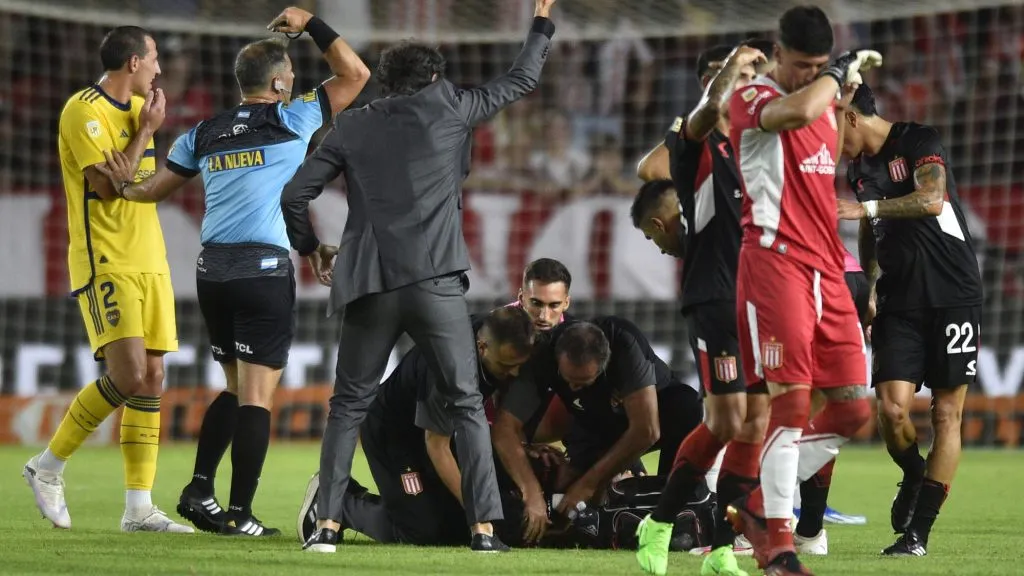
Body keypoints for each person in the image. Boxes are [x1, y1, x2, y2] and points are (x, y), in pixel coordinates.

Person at [280, 0, 558, 554]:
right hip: (435, 283)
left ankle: (328, 526)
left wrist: (311, 247)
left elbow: (294, 194)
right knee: (465, 405)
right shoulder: (454, 105)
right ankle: (484, 531)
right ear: (433, 77)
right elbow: (524, 77)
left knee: (348, 405)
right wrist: (541, 23)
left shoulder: (353, 124)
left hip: (369, 282)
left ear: (386, 82)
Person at [95, 7, 370, 537]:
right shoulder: (293, 118)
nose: (294, 78)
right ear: (277, 82)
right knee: (258, 398)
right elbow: (356, 73)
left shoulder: (203, 132)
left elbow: (150, 191)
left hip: (211, 273)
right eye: (289, 72)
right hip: (262, 269)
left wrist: (123, 185)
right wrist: (312, 24)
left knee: (234, 385)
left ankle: (200, 487)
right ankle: (242, 513)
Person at [724, 6, 882, 574]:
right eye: (800, 64)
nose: (805, 73)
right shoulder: (750, 98)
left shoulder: (820, 98)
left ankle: (753, 493)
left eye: (816, 65)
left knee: (853, 411)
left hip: (827, 270)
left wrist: (839, 102)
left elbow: (824, 155)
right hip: (774, 263)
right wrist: (835, 77)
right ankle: (781, 544)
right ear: (778, 51)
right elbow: (798, 111)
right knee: (788, 400)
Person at [22, 26, 192, 533]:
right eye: (155, 59)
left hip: (150, 257)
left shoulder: (141, 109)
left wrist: (143, 138)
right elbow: (110, 186)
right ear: (133, 63)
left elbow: (137, 180)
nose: (159, 69)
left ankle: (138, 507)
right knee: (128, 375)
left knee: (154, 378)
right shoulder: (83, 110)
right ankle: (47, 466)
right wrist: (144, 133)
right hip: (106, 260)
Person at [630, 43, 769, 576]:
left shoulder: (760, 136)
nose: (743, 81)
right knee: (727, 417)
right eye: (730, 74)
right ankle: (659, 521)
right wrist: (735, 68)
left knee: (757, 422)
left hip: (766, 290)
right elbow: (652, 165)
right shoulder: (694, 135)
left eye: (750, 73)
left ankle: (719, 547)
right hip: (715, 293)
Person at [837, 83, 983, 557]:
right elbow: (868, 228)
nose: (831, 141)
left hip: (952, 293)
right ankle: (915, 475)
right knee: (892, 410)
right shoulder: (857, 168)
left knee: (946, 413)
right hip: (899, 299)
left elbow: (932, 199)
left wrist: (868, 206)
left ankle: (917, 535)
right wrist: (871, 285)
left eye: (835, 126)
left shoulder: (920, 140)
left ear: (852, 116)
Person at [297, 307, 537, 546]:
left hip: (438, 429)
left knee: (451, 517)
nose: (514, 372)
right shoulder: (449, 371)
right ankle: (339, 502)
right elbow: (437, 445)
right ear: (482, 347)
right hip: (395, 434)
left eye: (519, 365)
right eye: (505, 365)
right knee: (421, 530)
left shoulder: (498, 331)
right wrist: (480, 519)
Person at [493, 318, 704, 545]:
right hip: (592, 425)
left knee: (688, 406)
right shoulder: (543, 353)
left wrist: (587, 485)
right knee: (566, 494)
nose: (573, 388)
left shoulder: (625, 344)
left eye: (582, 383)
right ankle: (604, 526)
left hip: (655, 420)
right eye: (568, 381)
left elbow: (646, 430)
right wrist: (531, 491)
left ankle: (675, 516)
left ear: (604, 366)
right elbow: (504, 428)